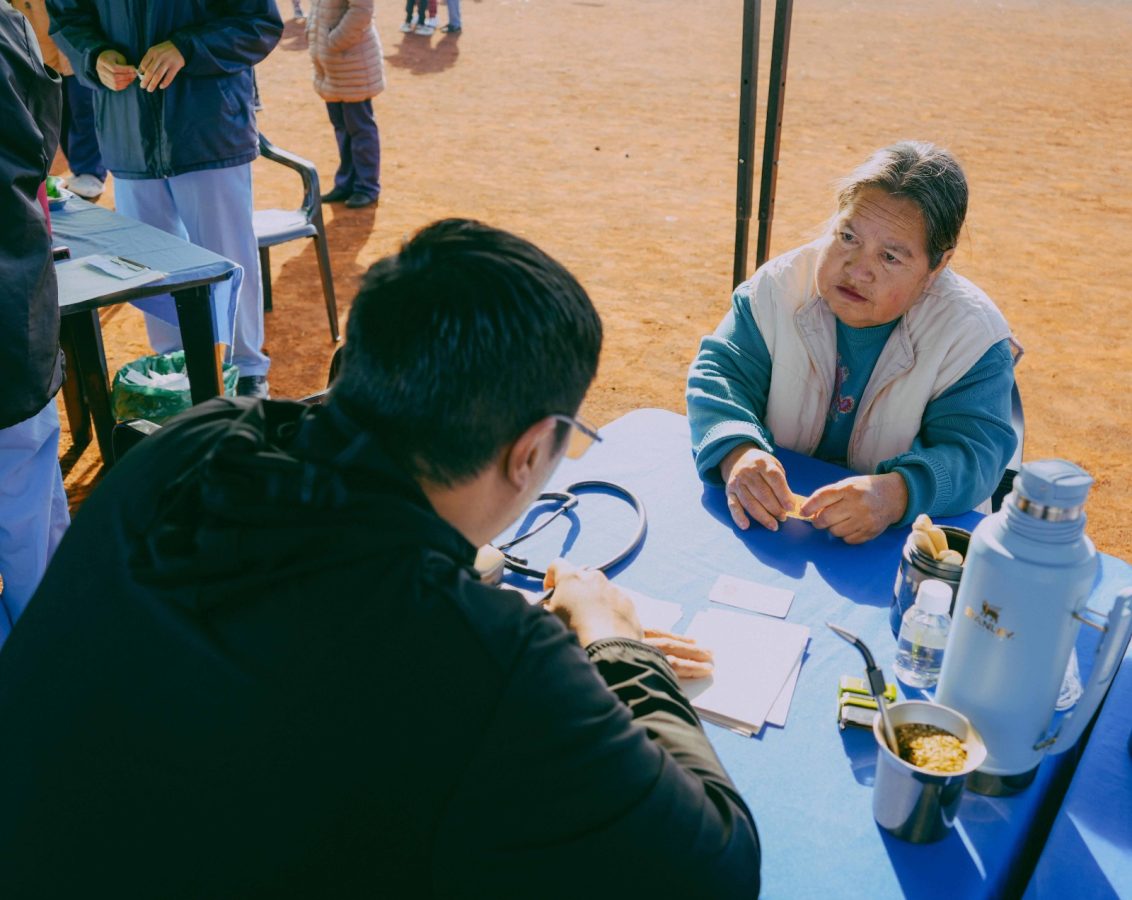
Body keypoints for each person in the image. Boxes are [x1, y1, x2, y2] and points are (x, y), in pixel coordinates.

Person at [0, 219, 761, 896]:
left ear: (346, 360)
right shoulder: (491, 656)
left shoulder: (192, 442)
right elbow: (716, 865)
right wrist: (610, 635)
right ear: (530, 452)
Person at [687, 141, 1018, 544]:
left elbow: (975, 453)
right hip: (775, 526)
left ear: (937, 265)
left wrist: (897, 494)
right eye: (848, 236)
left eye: (890, 258)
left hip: (896, 541)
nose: (857, 270)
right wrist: (738, 452)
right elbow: (721, 373)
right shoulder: (778, 288)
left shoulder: (971, 336)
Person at [46, 0, 284, 399]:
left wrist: (186, 48)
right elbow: (67, 19)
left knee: (227, 253)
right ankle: (176, 369)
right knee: (151, 266)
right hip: (127, 132)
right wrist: (95, 56)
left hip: (208, 126)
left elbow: (259, 23)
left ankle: (246, 368)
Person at [0, 1, 69, 646]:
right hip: (8, 304)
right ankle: (45, 659)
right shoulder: (7, 24)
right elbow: (39, 145)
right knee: (24, 496)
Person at [16, 0, 106, 198]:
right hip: (36, 43)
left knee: (84, 108)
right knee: (54, 112)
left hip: (76, 44)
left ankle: (89, 171)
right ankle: (75, 169)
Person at [308, 0, 384, 209]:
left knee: (360, 128)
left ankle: (366, 186)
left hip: (352, 62)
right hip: (333, 65)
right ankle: (346, 182)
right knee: (342, 128)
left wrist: (334, 40)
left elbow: (362, 10)